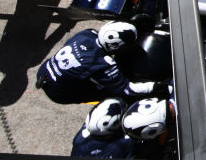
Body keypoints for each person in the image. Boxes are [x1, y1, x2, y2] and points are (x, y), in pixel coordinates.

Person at [36, 21, 165, 104]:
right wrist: (157, 86)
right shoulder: (102, 63)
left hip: (43, 71)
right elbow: (127, 89)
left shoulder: (86, 34)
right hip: (58, 93)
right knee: (111, 93)